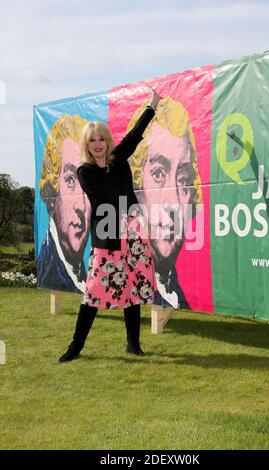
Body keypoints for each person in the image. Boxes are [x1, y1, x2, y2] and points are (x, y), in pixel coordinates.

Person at [58, 88, 162, 362]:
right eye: (92, 140)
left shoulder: (117, 160)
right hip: (108, 236)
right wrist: (131, 211)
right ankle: (75, 348)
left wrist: (152, 105)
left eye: (101, 139)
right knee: (93, 292)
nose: (97, 144)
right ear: (87, 144)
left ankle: (133, 345)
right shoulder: (86, 171)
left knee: (134, 289)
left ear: (107, 140)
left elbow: (134, 136)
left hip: (133, 234)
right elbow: (107, 195)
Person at [126, 97, 202, 309]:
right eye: (159, 173)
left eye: (184, 179)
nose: (174, 203)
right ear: (136, 183)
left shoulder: (173, 286)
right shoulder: (120, 269)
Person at [38, 114, 90, 293]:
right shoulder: (49, 266)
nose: (81, 206)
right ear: (52, 192)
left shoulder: (82, 272)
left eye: (87, 185)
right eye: (70, 180)